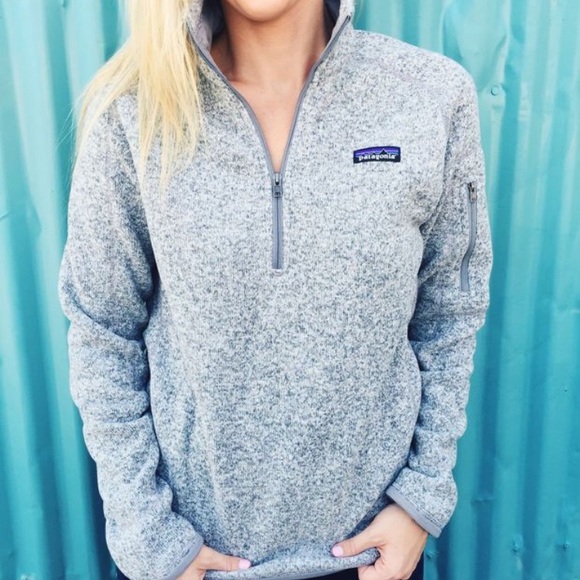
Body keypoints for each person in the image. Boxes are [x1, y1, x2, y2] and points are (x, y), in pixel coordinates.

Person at [57, 0, 493, 579]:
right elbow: (102, 330)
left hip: (370, 562)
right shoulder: (134, 114)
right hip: (195, 566)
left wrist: (422, 495)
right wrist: (151, 538)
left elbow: (449, 315)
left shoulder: (430, 96)